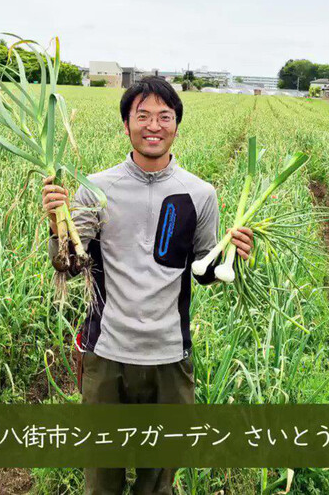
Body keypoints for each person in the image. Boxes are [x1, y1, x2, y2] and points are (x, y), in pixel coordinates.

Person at [42, 76, 253, 494]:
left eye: (164, 116)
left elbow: (204, 271)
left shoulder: (200, 194)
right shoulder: (95, 189)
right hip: (106, 355)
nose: (153, 125)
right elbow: (68, 264)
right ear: (126, 125)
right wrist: (56, 224)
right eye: (142, 116)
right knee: (102, 477)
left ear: (176, 125)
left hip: (170, 357)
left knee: (158, 479)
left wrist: (232, 255)